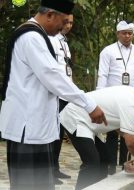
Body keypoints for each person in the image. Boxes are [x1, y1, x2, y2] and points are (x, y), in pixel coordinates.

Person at [0, 0, 107, 190]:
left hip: (36, 126)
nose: (63, 27)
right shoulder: (31, 37)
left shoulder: (37, 35)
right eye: (63, 21)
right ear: (50, 14)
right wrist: (88, 104)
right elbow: (54, 76)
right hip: (28, 127)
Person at [60, 77, 134, 189]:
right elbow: (130, 143)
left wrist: (129, 136)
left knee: (104, 159)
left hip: (89, 123)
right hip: (76, 117)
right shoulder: (130, 103)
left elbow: (119, 127)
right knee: (92, 162)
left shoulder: (130, 94)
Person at [96, 20, 134, 174]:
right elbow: (102, 75)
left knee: (129, 132)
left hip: (132, 100)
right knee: (112, 131)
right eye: (124, 33)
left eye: (130, 33)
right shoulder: (107, 51)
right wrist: (99, 99)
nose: (127, 36)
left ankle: (126, 163)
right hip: (112, 99)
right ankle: (111, 165)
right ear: (117, 34)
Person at [49, 14, 73, 184]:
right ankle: (49, 171)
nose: (69, 25)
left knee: (60, 133)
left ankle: (55, 168)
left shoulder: (64, 42)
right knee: (53, 133)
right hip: (56, 93)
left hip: (66, 94)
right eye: (66, 21)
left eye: (71, 22)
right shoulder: (50, 40)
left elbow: (67, 69)